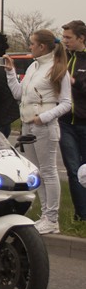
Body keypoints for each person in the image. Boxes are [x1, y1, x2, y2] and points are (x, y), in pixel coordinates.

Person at [3, 30, 71, 235]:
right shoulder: (33, 67)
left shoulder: (58, 69)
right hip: (27, 125)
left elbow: (67, 103)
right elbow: (18, 93)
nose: (30, 47)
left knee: (49, 171)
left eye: (32, 44)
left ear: (42, 47)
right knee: (37, 172)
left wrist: (45, 117)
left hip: (44, 126)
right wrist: (10, 72)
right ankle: (45, 215)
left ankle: (52, 218)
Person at [60, 20, 86, 222]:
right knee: (73, 169)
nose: (65, 41)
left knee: (84, 170)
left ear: (81, 38)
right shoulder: (63, 58)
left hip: (84, 123)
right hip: (65, 123)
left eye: (69, 38)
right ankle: (81, 215)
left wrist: (75, 83)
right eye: (64, 37)